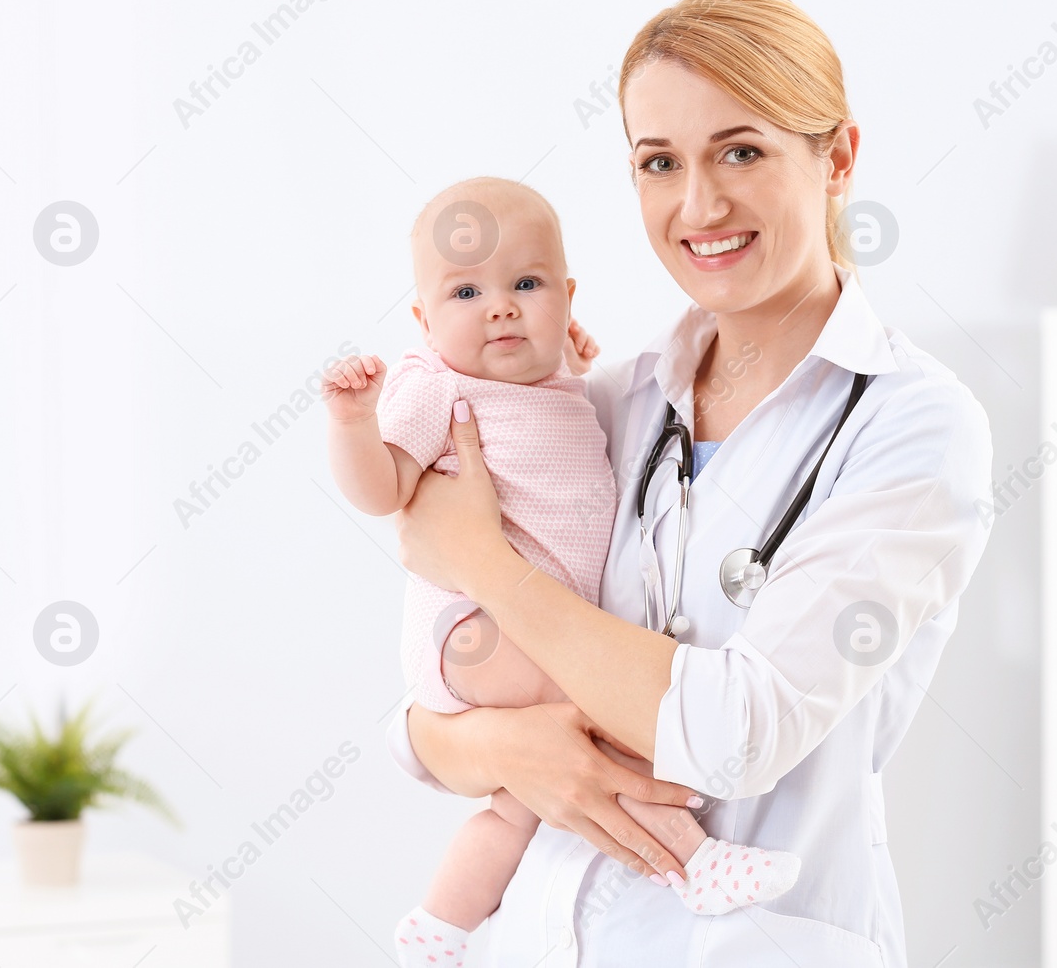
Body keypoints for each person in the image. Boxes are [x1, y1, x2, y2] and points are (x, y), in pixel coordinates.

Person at [385, 0, 994, 966]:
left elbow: (735, 731)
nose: (697, 204)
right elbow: (418, 727)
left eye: (740, 150)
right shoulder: (614, 400)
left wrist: (489, 568)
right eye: (658, 162)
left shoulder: (911, 425)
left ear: (836, 156)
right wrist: (509, 750)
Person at [320, 176, 803, 968]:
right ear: (423, 318)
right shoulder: (435, 384)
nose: (501, 306)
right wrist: (352, 424)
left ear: (567, 299)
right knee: (615, 715)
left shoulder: (569, 387)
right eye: (467, 290)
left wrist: (573, 367)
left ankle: (438, 925)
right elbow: (383, 494)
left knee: (515, 808)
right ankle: (694, 857)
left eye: (527, 284)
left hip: (511, 625)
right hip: (471, 631)